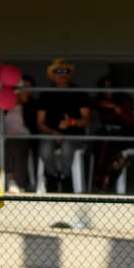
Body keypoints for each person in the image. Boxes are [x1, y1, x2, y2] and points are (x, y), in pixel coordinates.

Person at [36, 58, 91, 193]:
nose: (62, 74)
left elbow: (86, 120)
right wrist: (52, 132)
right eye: (58, 71)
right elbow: (40, 123)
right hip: (51, 134)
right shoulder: (45, 94)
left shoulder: (79, 93)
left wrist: (71, 122)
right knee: (45, 148)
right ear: (53, 75)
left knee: (67, 147)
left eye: (66, 71)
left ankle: (67, 179)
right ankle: (53, 177)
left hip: (74, 135)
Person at [91, 73, 134, 191]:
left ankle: (100, 180)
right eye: (105, 87)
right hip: (106, 137)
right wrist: (108, 105)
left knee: (107, 143)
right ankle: (117, 163)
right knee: (102, 144)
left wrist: (118, 109)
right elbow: (92, 102)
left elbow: (130, 122)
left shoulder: (125, 99)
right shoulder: (100, 99)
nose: (108, 90)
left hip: (125, 135)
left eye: (111, 87)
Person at [2, 74, 39, 192]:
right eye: (23, 87)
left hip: (24, 136)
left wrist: (24, 102)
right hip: (5, 137)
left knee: (15, 145)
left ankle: (16, 181)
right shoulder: (5, 103)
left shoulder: (32, 104)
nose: (25, 90)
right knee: (4, 145)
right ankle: (8, 180)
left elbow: (34, 126)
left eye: (28, 88)